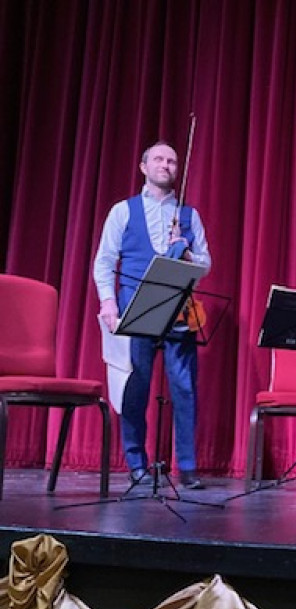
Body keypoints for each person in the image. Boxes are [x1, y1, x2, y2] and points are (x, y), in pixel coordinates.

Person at [93, 141, 212, 490]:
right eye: (159, 159)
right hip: (134, 305)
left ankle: (187, 466)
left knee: (185, 387)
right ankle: (136, 463)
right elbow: (104, 261)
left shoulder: (190, 216)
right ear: (144, 167)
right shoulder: (123, 211)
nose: (166, 165)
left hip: (179, 308)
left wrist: (186, 250)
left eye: (172, 161)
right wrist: (108, 302)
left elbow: (206, 265)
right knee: (136, 385)